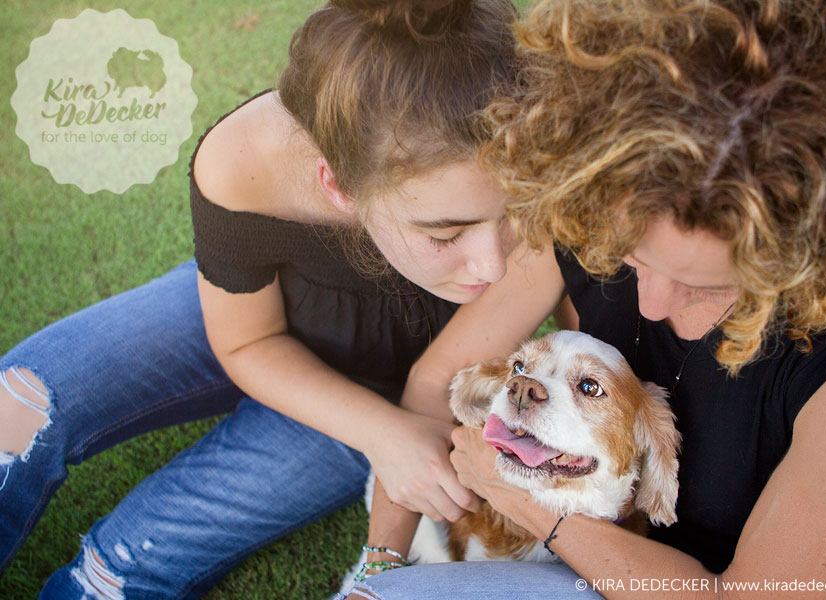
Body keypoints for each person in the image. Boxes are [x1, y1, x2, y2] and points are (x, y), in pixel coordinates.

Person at [341, 0, 826, 598]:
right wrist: (380, 558)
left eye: (709, 284)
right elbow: (436, 382)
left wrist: (520, 497)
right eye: (633, 258)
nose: (653, 305)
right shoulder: (595, 207)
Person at [0, 0, 520, 597]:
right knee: (20, 400)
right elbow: (247, 338)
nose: (494, 264)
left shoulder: (527, 134)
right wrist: (385, 439)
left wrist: (387, 432)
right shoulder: (241, 159)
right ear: (339, 185)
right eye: (445, 233)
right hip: (259, 310)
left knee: (117, 567)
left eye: (512, 216)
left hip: (380, 393)